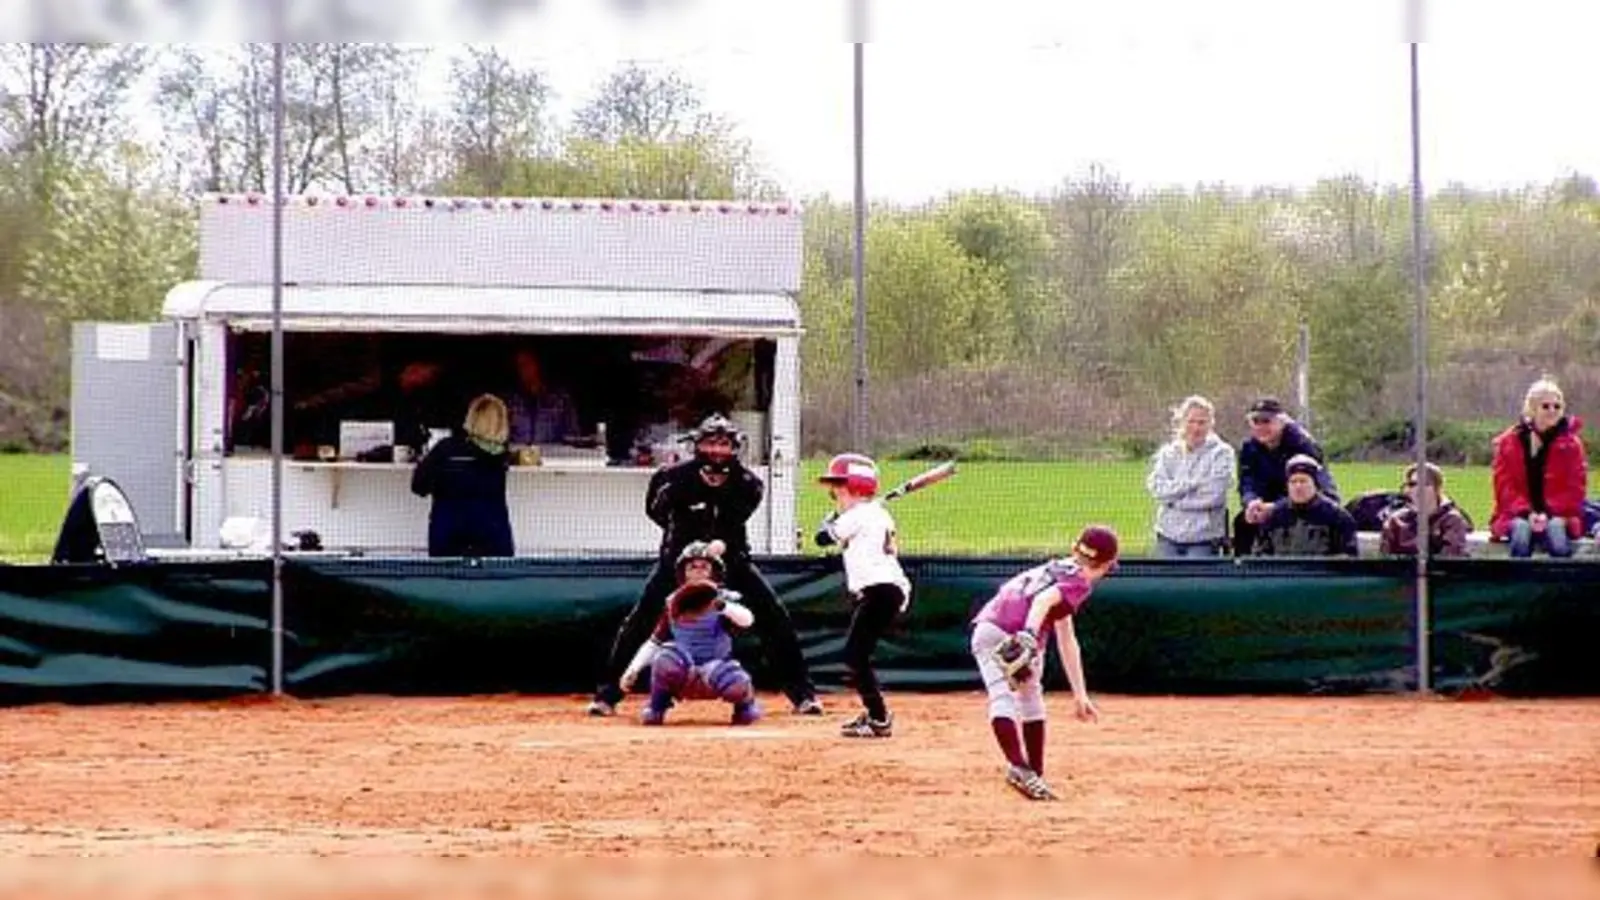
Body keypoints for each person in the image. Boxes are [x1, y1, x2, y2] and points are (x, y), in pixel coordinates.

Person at [588, 413, 822, 717]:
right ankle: (608, 694)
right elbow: (656, 512)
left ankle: (802, 694)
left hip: (730, 560)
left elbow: (731, 522)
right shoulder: (671, 479)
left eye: (724, 444)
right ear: (697, 446)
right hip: (678, 562)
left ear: (735, 449)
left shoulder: (749, 484)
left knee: (773, 615)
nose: (717, 451)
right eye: (711, 443)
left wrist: (717, 547)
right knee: (642, 619)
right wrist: (687, 545)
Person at [969, 525, 1119, 801]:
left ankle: (1031, 773)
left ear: (1076, 549)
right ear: (1108, 564)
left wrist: (1080, 694)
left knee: (1015, 695)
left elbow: (1066, 637)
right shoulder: (1080, 581)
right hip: (1014, 630)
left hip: (987, 626)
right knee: (1022, 698)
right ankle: (1023, 769)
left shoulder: (1057, 567)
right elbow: (1042, 600)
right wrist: (1027, 634)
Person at [815, 453, 912, 739]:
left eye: (839, 487)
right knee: (857, 654)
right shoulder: (873, 513)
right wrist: (837, 518)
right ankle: (875, 714)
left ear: (855, 488)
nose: (835, 494)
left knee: (855, 654)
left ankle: (879, 717)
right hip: (884, 590)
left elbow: (822, 538)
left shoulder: (860, 515)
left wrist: (829, 523)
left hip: (880, 590)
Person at [619, 540, 762, 727]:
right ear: (682, 573)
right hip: (683, 673)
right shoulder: (672, 603)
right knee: (665, 657)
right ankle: (657, 707)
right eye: (692, 567)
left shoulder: (726, 599)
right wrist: (633, 669)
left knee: (736, 680)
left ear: (714, 572)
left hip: (715, 672)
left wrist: (721, 606)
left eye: (704, 566)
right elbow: (655, 642)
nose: (698, 570)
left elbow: (748, 620)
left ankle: (745, 706)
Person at [1490, 378, 1587, 559]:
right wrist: (1526, 513)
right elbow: (1504, 488)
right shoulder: (1508, 442)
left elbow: (1576, 489)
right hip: (1516, 513)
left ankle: (1560, 585)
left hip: (1559, 514)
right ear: (1532, 409)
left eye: (1557, 407)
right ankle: (1520, 584)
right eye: (1546, 406)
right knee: (1521, 534)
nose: (1552, 411)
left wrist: (1547, 513)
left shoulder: (1572, 445)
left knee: (1556, 533)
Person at [409, 394, 515, 558]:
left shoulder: (446, 449)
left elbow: (419, 487)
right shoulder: (502, 457)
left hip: (447, 539)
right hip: (494, 539)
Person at [1234, 397, 1339, 556]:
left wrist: (1276, 507)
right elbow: (1246, 482)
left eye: (1267, 421)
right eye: (1256, 421)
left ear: (1282, 422)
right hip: (1266, 505)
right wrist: (1251, 502)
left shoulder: (1303, 445)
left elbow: (1314, 489)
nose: (1261, 427)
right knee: (1242, 522)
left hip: (1306, 505)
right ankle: (1245, 572)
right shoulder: (1249, 448)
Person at [1146, 395, 1235, 557]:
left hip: (1204, 538)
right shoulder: (1168, 453)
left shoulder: (1222, 453)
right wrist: (1190, 485)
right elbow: (1157, 488)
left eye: (1201, 422)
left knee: (1195, 581)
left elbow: (1214, 496)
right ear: (1182, 422)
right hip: (1168, 535)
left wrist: (1174, 502)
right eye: (1191, 421)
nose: (1196, 428)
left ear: (1210, 424)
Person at [1251, 455, 1358, 557]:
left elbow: (1348, 558)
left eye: (1303, 481)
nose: (1298, 487)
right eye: (1293, 482)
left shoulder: (1337, 517)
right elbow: (1259, 556)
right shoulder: (1274, 516)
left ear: (1315, 485)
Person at [1380, 462, 1472, 558]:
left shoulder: (1451, 521)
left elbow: (1451, 558)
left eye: (1424, 484)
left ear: (1437, 488)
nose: (1417, 490)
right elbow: (1385, 560)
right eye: (1412, 484)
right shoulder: (1395, 521)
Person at [504, 346, 582, 447]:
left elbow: (573, 435)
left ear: (537, 365)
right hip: (518, 458)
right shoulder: (510, 401)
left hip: (553, 458)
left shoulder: (560, 399)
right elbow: (502, 435)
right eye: (519, 366)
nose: (522, 369)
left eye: (526, 364)